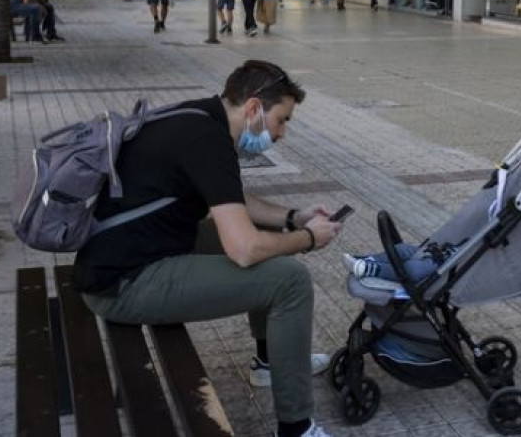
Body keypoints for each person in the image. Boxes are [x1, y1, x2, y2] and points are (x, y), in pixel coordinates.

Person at [75, 60, 343, 437]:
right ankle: (296, 428)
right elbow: (244, 250)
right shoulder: (209, 141)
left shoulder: (202, 118)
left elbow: (230, 198)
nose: (281, 134)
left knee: (273, 244)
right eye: (281, 120)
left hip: (124, 257)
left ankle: (269, 363)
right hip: (124, 284)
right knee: (290, 279)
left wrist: (293, 218)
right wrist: (310, 239)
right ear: (253, 108)